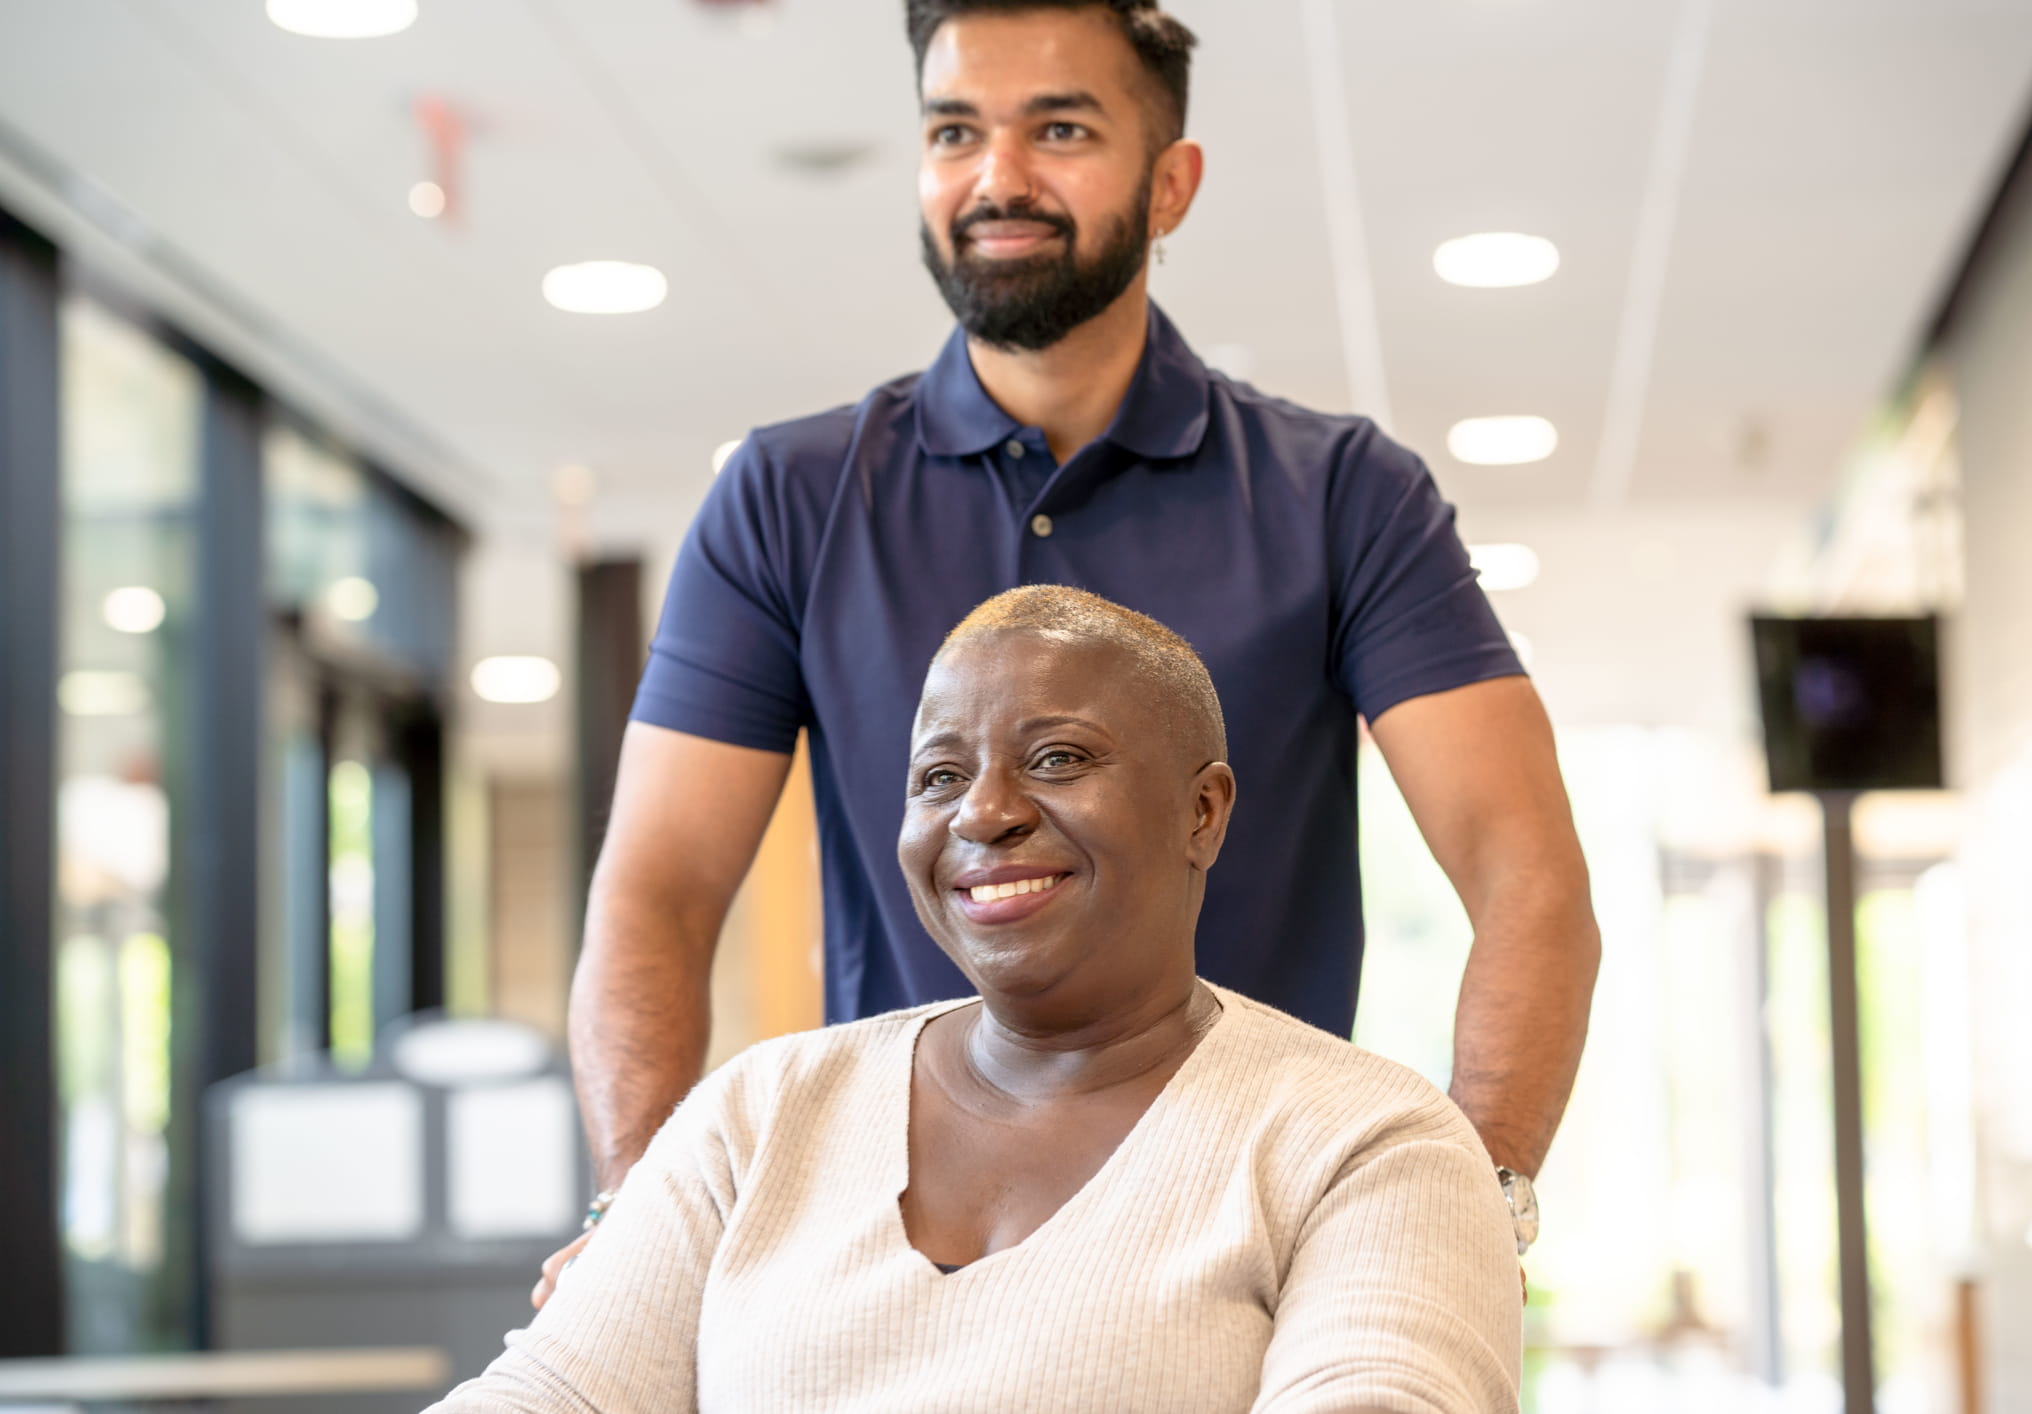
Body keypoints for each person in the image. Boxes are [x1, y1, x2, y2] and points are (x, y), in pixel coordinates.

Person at [538, 0, 1597, 1302]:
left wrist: (1473, 1198)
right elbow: (655, 888)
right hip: (889, 1255)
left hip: (1248, 1240)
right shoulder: (787, 496)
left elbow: (1527, 871)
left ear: (1171, 183)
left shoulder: (1343, 496)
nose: (997, 177)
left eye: (1059, 128)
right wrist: (640, 1211)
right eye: (953, 131)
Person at [441, 589, 1523, 1414]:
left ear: (1202, 810)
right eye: (939, 776)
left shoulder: (1371, 1142)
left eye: (1057, 758)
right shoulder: (761, 1112)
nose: (986, 813)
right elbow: (551, 1394)